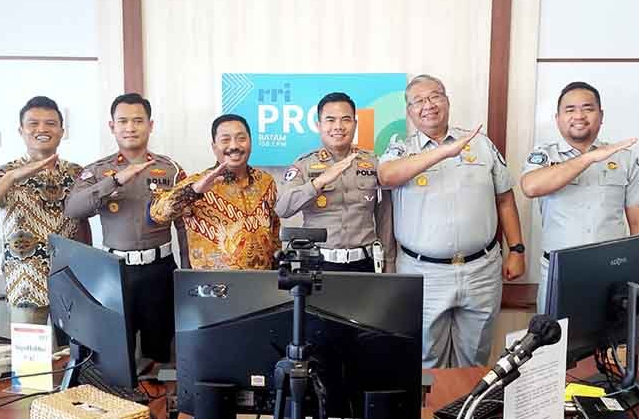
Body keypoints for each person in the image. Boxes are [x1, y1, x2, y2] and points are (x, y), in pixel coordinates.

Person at [378, 74, 526, 368]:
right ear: (409, 111)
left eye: (435, 96)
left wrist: (517, 249)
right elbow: (386, 176)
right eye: (418, 101)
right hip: (423, 272)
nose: (428, 105)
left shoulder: (480, 143)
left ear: (447, 101)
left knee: (475, 359)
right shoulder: (401, 149)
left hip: (481, 270)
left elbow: (505, 199)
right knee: (425, 361)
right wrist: (443, 151)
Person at [64, 93, 186, 363]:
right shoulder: (97, 171)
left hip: (160, 271)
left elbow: (185, 224)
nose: (130, 127)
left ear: (150, 125)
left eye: (138, 121)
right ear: (112, 126)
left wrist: (188, 273)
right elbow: (73, 209)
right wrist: (116, 181)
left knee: (160, 353)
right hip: (114, 272)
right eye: (123, 121)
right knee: (114, 354)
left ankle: (155, 391)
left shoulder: (171, 170)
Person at [520, 81, 639, 313]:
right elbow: (530, 187)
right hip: (559, 272)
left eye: (587, 108)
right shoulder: (544, 155)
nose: (579, 116)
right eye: (570, 110)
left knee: (610, 336)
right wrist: (589, 157)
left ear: (601, 116)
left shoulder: (624, 159)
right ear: (558, 118)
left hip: (612, 273)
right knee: (556, 336)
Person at [0, 96, 91, 325]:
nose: (42, 129)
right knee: (30, 350)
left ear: (61, 131)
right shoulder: (4, 173)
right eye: (33, 123)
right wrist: (12, 178)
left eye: (50, 123)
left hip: (72, 282)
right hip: (26, 286)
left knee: (75, 348)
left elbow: (85, 221)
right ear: (21, 131)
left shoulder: (77, 173)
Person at [275, 92, 395, 272]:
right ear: (319, 125)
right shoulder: (304, 164)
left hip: (365, 263)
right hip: (317, 264)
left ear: (355, 124)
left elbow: (384, 218)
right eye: (330, 120)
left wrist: (389, 262)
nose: (338, 127)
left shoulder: (373, 163)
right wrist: (318, 182)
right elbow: (282, 209)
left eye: (346, 120)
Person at [150, 114, 281, 269]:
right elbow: (157, 214)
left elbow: (274, 232)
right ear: (214, 147)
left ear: (250, 142)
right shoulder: (198, 183)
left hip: (262, 279)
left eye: (241, 138)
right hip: (212, 282)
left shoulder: (265, 181)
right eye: (225, 140)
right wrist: (194, 191)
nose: (234, 146)